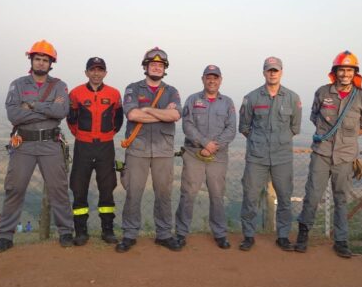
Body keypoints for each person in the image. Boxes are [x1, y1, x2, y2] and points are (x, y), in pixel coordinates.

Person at [0, 39, 74, 253]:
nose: (41, 63)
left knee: (59, 189)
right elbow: (13, 113)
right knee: (15, 189)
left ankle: (65, 232)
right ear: (31, 60)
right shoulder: (18, 84)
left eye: (45, 60)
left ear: (51, 63)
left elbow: (61, 111)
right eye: (38, 59)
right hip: (23, 143)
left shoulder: (59, 86)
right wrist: (48, 108)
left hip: (50, 143)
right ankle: (5, 236)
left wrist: (33, 105)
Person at [296, 50, 362, 258]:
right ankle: (303, 235)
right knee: (312, 196)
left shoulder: (361, 98)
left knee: (341, 199)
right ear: (335, 72)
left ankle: (341, 241)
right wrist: (329, 136)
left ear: (354, 72)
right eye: (341, 70)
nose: (345, 74)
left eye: (349, 70)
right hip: (321, 153)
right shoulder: (322, 93)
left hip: (345, 157)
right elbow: (314, 116)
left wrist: (346, 140)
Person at [116, 47, 182, 252]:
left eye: (160, 65)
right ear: (145, 67)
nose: (156, 67)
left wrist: (147, 110)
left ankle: (163, 234)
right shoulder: (133, 88)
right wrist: (162, 113)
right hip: (138, 149)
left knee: (164, 193)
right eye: (152, 64)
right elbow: (132, 115)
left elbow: (175, 116)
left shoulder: (172, 91)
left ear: (165, 69)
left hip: (163, 149)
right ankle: (129, 234)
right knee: (133, 193)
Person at [238, 57, 301, 252]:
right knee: (250, 196)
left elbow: (295, 128)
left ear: (281, 72)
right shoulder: (251, 98)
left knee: (284, 197)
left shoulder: (292, 98)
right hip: (257, 157)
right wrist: (260, 142)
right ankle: (248, 235)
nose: (272, 73)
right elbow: (244, 127)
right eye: (269, 70)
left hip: (282, 157)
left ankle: (282, 236)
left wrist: (278, 142)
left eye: (276, 70)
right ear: (264, 72)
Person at [174, 65, 236, 249]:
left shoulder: (228, 102)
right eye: (208, 77)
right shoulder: (192, 100)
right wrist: (204, 143)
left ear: (220, 80)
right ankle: (181, 233)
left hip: (218, 156)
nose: (212, 81)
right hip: (194, 153)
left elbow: (231, 129)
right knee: (188, 194)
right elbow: (187, 125)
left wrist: (213, 147)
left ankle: (220, 234)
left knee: (217, 196)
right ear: (203, 79)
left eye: (215, 77)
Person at [67, 57, 123, 246]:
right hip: (83, 146)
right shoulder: (76, 93)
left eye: (100, 70)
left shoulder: (114, 94)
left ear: (105, 73)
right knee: (78, 188)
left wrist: (106, 135)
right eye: (92, 70)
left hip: (105, 147)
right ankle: (80, 232)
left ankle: (108, 230)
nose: (96, 73)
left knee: (107, 189)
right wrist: (83, 136)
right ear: (86, 72)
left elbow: (118, 120)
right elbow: (71, 119)